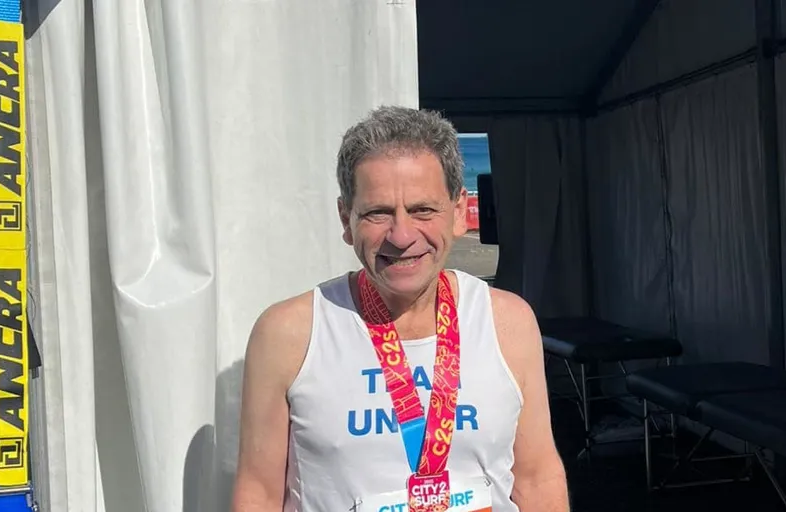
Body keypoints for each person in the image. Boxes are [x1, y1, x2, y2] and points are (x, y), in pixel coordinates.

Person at [231, 106, 569, 512]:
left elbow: (536, 478)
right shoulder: (289, 333)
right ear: (346, 219)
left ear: (459, 212)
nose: (403, 235)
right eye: (378, 213)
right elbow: (260, 493)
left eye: (423, 209)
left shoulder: (507, 321)